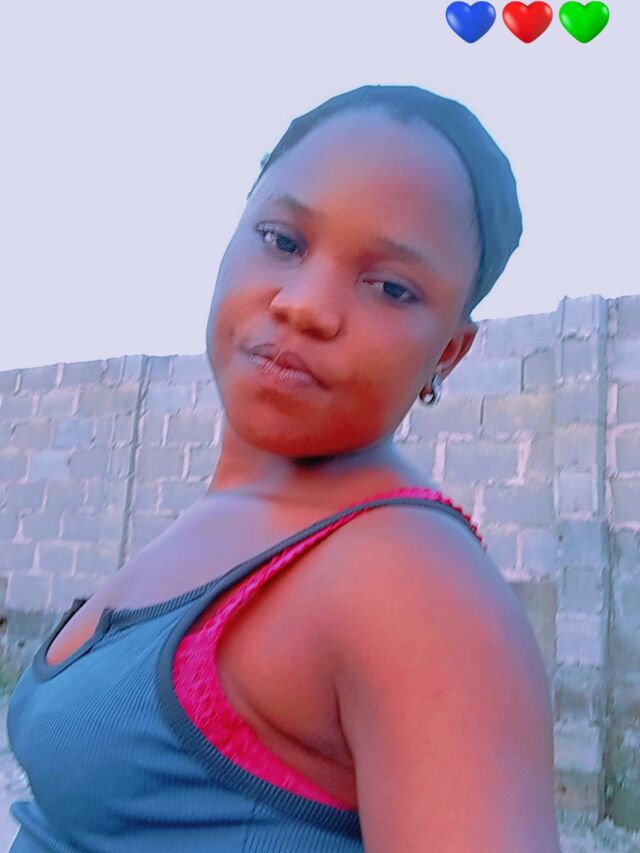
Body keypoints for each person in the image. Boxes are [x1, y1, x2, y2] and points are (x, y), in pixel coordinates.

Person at [6, 84, 561, 851]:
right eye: (283, 240)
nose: (304, 305)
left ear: (449, 352)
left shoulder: (409, 579)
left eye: (390, 286)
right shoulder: (227, 515)